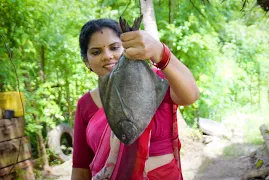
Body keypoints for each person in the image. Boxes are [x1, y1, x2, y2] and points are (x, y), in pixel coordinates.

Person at [71, 18, 199, 180]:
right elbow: (81, 169)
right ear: (86, 61)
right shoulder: (85, 104)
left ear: (127, 48)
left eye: (114, 47)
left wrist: (159, 51)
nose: (107, 56)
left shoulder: (155, 81)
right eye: (96, 52)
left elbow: (191, 95)